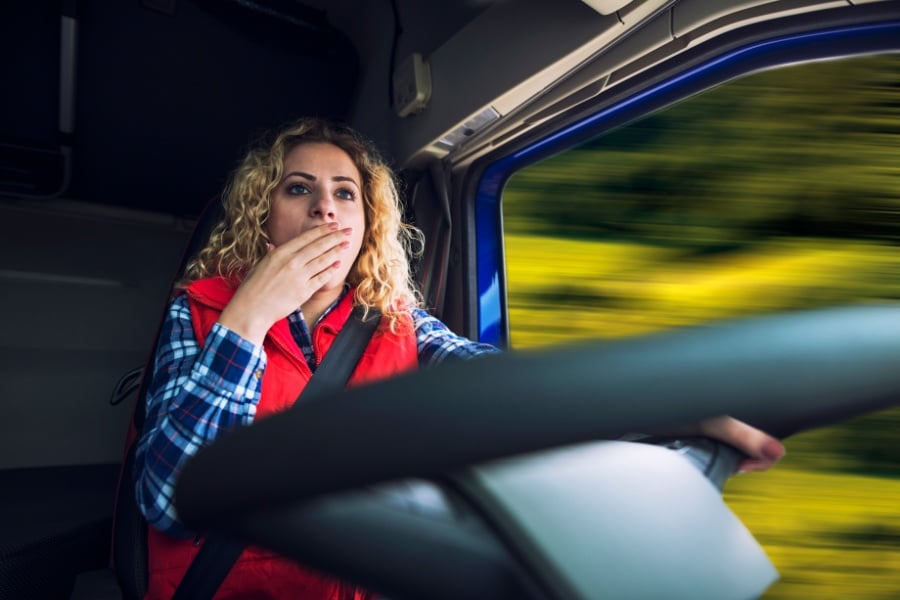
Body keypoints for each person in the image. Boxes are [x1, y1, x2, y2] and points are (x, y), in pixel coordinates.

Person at [133, 117, 785, 599]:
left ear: (365, 227)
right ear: (263, 216)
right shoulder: (203, 314)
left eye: (345, 193)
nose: (325, 208)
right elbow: (168, 499)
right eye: (298, 190)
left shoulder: (395, 324)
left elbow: (504, 389)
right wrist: (250, 315)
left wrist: (666, 410)